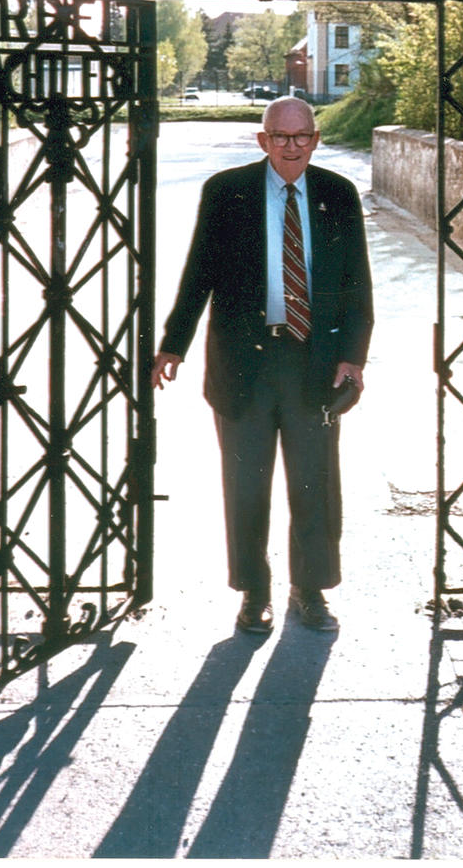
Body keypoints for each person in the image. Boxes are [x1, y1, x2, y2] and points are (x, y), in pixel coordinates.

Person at [151, 96, 373, 635]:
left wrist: (353, 356)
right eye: (281, 137)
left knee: (315, 485)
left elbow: (356, 283)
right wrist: (173, 343)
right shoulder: (226, 194)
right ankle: (253, 592)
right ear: (263, 140)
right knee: (246, 485)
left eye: (302, 137)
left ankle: (311, 590)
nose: (292, 147)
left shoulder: (337, 195)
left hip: (314, 363)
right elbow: (198, 269)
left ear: (316, 139)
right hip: (243, 364)